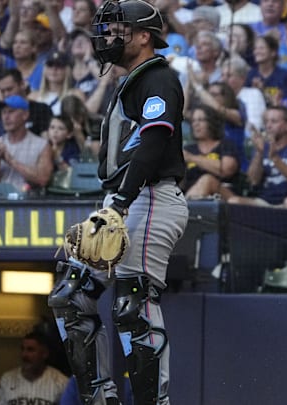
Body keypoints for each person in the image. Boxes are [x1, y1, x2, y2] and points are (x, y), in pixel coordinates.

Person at [48, 1, 188, 404]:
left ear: (144, 36)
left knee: (133, 303)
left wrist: (121, 203)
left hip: (151, 197)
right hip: (124, 197)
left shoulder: (158, 77)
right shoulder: (131, 80)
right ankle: (101, 397)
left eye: (118, 29)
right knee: (69, 296)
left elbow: (154, 139)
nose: (108, 37)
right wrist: (116, 201)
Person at [227, 105, 287, 206]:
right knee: (233, 202)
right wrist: (259, 153)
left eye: (274, 121)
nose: (268, 126)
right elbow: (253, 181)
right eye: (266, 122)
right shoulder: (263, 147)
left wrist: (275, 158)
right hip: (263, 202)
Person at [0, 95, 54, 194]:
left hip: (30, 204)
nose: (6, 117)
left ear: (25, 115)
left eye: (11, 112)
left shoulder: (41, 145)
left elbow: (43, 179)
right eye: (3, 112)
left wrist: (10, 160)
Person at [0, 331, 69, 405]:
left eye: (30, 350)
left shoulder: (61, 382)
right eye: (22, 349)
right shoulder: (7, 379)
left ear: (44, 354)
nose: (24, 355)